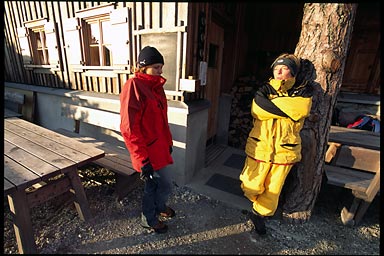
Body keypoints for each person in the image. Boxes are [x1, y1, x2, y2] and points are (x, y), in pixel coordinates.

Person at [239, 53, 313, 236]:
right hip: (260, 147)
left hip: (284, 151)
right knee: (251, 185)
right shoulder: (264, 89)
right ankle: (256, 204)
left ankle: (259, 215)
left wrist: (272, 104)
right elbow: (258, 108)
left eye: (285, 68)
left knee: (273, 189)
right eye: (276, 68)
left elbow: (301, 109)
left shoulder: (303, 92)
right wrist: (286, 109)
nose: (279, 72)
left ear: (293, 72)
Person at [120, 46, 175, 234]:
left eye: (161, 67)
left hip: (159, 147)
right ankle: (149, 220)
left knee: (165, 183)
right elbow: (129, 127)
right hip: (146, 152)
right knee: (152, 186)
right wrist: (142, 159)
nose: (160, 71)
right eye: (156, 67)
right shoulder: (134, 86)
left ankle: (159, 207)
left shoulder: (157, 88)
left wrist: (168, 143)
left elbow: (162, 121)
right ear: (143, 67)